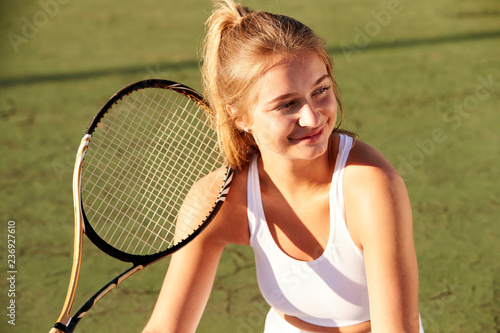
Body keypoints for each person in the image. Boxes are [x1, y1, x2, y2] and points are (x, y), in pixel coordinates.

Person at [142, 0, 424, 332]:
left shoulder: (371, 187)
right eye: (287, 104)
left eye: (320, 90)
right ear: (240, 116)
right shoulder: (216, 200)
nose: (313, 117)